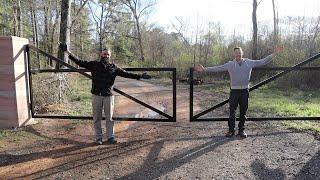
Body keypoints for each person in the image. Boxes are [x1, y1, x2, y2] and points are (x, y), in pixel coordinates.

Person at [59, 44, 151, 145]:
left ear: (109, 56)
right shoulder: (94, 64)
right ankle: (99, 138)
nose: (105, 55)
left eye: (107, 54)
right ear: (100, 54)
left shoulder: (114, 67)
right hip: (96, 95)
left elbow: (126, 74)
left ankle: (110, 137)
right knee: (97, 118)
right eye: (104, 54)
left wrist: (140, 76)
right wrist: (67, 52)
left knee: (109, 118)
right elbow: (79, 62)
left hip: (108, 96)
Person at [194, 46, 283, 138]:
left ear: (242, 53)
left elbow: (262, 61)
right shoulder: (230, 64)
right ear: (234, 54)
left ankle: (241, 131)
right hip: (234, 91)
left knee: (243, 112)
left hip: (245, 91)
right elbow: (218, 68)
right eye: (236, 53)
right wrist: (204, 69)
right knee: (232, 112)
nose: (238, 54)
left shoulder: (249, 62)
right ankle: (231, 130)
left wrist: (275, 53)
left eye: (239, 52)